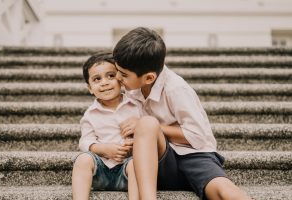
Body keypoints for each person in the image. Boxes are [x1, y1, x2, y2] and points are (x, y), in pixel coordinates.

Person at [113, 27, 252, 200]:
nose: (117, 77)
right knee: (147, 124)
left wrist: (153, 126)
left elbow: (197, 136)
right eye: (117, 71)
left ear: (149, 78)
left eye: (123, 74)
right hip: (158, 162)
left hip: (195, 156)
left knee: (223, 190)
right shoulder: (131, 88)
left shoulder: (176, 88)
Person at [72, 52, 139, 200]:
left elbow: (148, 132)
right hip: (101, 170)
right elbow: (85, 141)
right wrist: (103, 149)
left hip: (127, 171)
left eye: (110, 76)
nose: (104, 82)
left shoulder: (136, 106)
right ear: (90, 88)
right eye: (97, 79)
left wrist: (135, 143)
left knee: (137, 164)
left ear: (121, 80)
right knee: (83, 160)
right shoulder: (90, 115)